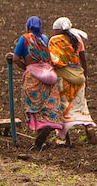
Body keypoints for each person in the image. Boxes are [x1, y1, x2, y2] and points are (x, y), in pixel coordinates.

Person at [8, 16, 63, 150]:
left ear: (28, 26)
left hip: (34, 76)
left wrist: (25, 67)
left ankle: (40, 134)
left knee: (33, 107)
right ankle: (41, 138)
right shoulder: (44, 39)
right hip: (49, 74)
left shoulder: (25, 38)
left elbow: (15, 58)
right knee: (46, 106)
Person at [48, 17, 97, 145]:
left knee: (64, 109)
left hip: (63, 79)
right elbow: (84, 61)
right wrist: (85, 78)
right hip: (78, 77)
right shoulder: (77, 39)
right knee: (82, 107)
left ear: (58, 30)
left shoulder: (55, 41)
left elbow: (53, 60)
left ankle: (64, 139)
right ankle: (89, 127)